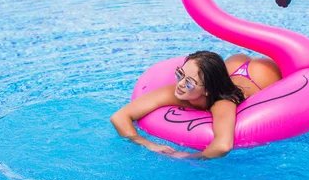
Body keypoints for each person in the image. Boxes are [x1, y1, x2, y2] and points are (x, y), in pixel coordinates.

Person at [110, 51, 282, 159]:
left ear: (207, 90)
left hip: (259, 76)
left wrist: (189, 157)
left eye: (190, 82)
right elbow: (119, 116)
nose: (181, 84)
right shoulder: (178, 91)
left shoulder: (222, 103)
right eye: (180, 74)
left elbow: (223, 145)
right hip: (233, 64)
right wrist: (149, 144)